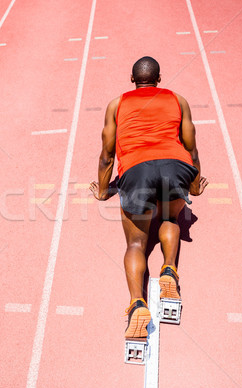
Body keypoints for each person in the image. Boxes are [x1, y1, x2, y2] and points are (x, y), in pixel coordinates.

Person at [90, 56, 208, 338]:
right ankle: (169, 270)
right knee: (169, 216)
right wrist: (192, 183)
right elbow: (191, 146)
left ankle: (137, 304)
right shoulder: (178, 100)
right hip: (174, 164)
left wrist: (104, 189)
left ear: (133, 80)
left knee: (135, 242)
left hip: (136, 168)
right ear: (159, 78)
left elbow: (107, 154)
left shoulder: (117, 104)